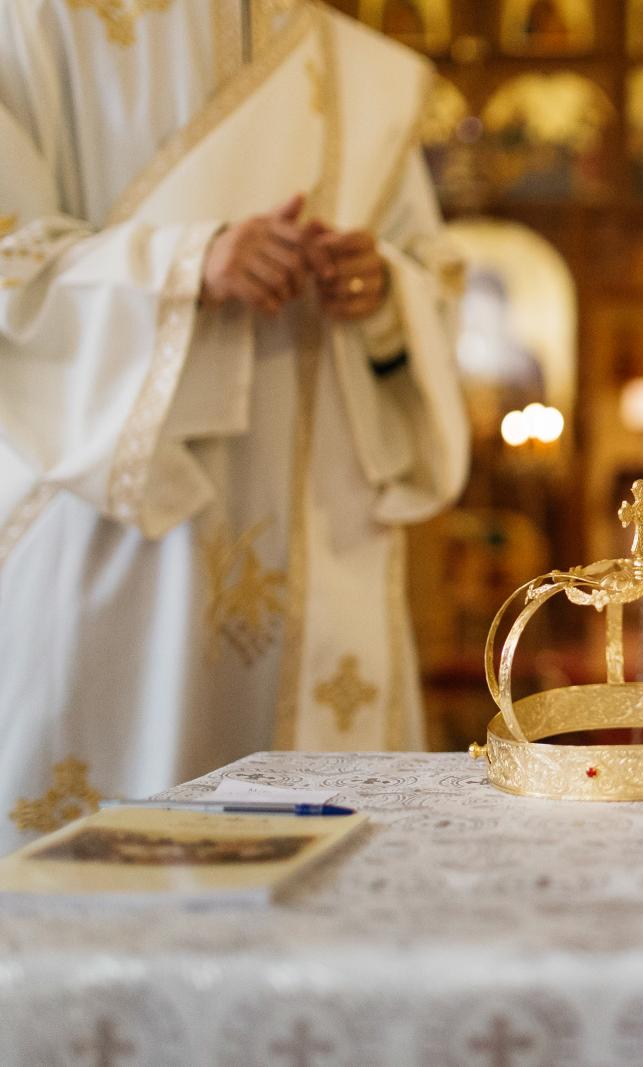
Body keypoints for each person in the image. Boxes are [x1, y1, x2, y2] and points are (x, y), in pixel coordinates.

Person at [0, 0, 469, 850]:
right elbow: (11, 259)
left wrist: (383, 294)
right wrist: (189, 263)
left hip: (322, 512)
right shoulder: (41, 22)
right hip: (116, 522)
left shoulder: (363, 71)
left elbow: (431, 278)